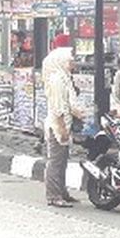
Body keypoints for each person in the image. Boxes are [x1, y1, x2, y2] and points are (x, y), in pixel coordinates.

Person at [43, 46, 84, 207]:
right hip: (57, 126)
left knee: (62, 160)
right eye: (69, 61)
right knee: (56, 161)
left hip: (64, 124)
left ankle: (61, 192)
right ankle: (53, 195)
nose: (72, 64)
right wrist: (61, 129)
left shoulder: (65, 78)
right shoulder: (57, 80)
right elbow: (58, 108)